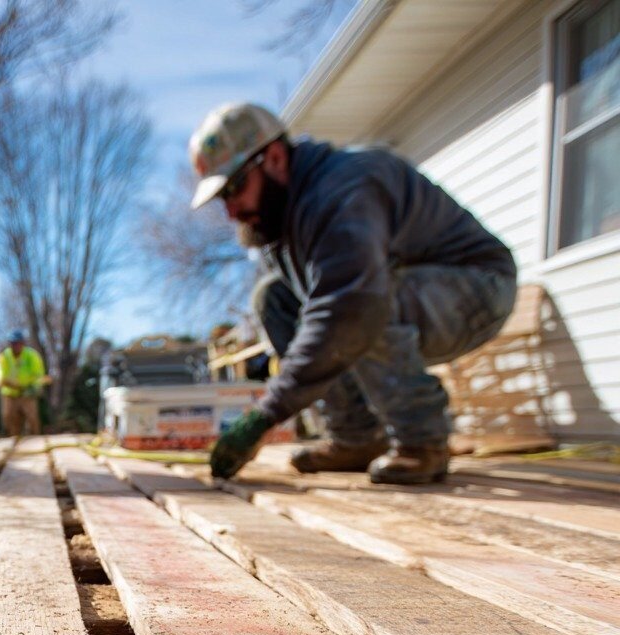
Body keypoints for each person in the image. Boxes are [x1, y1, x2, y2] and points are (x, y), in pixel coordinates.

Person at [189, 102, 517, 485]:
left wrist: (266, 414)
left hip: (477, 288)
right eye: (221, 198)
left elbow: (347, 306)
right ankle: (357, 437)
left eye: (234, 188)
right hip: (401, 289)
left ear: (274, 158)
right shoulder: (283, 222)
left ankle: (422, 440)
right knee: (274, 298)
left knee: (359, 306)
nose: (230, 211)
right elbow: (320, 312)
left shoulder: (345, 186)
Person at [0, 329, 46, 437]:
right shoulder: (4, 357)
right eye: (13, 343)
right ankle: (12, 441)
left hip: (27, 392)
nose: (16, 346)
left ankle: (35, 440)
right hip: (10, 393)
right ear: (10, 344)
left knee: (32, 419)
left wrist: (33, 388)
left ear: (23, 343)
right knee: (9, 419)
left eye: (18, 343)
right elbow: (0, 377)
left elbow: (38, 374)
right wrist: (10, 384)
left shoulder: (31, 355)